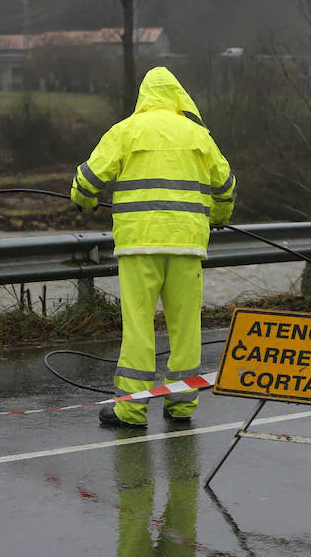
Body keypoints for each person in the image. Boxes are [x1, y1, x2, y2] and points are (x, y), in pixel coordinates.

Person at [70, 66, 236, 428]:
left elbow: (88, 179)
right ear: (180, 97)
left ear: (144, 97)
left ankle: (131, 409)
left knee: (139, 326)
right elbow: (225, 188)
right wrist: (218, 218)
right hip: (187, 246)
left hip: (139, 245)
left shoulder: (126, 130)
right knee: (186, 327)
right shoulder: (199, 135)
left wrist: (82, 200)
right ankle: (181, 405)